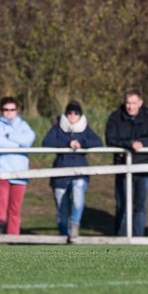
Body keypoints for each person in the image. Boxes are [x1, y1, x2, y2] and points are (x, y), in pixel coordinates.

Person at [41, 101, 101, 243]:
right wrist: (68, 143)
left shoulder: (85, 129)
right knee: (62, 210)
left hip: (80, 171)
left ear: (80, 115)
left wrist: (82, 144)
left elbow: (98, 142)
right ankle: (64, 238)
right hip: (60, 173)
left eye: (76, 113)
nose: (72, 116)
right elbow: (46, 143)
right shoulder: (57, 128)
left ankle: (74, 225)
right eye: (70, 113)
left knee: (78, 192)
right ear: (65, 114)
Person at [105, 88, 148, 237]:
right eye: (128, 103)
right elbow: (110, 140)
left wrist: (141, 143)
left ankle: (138, 239)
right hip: (123, 166)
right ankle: (121, 240)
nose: (131, 106)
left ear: (140, 103)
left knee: (140, 205)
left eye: (134, 103)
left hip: (144, 166)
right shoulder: (115, 117)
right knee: (123, 205)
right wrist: (129, 144)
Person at [0, 96, 36, 238]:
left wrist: (9, 135)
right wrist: (18, 145)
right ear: (1, 111)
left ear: (17, 111)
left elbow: (29, 139)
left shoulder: (23, 125)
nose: (9, 113)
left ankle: (14, 235)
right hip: (0, 167)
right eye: (6, 110)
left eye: (12, 110)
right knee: (2, 195)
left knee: (15, 206)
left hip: (20, 170)